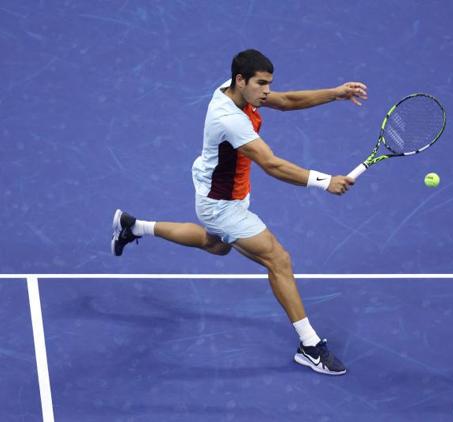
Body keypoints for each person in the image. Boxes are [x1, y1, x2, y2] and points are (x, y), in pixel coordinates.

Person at [112, 49, 367, 376]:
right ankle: (310, 346)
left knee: (216, 246)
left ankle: (134, 227)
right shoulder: (229, 120)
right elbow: (272, 165)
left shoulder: (235, 91)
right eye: (261, 84)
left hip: (218, 188)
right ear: (241, 80)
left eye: (268, 84)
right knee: (278, 259)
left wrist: (335, 93)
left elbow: (286, 101)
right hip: (221, 205)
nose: (266, 91)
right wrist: (324, 181)